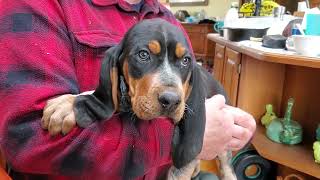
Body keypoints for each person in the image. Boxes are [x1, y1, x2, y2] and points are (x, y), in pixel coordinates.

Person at [0, 0, 256, 179]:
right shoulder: (35, 5)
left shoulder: (168, 21)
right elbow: (26, 138)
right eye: (144, 55)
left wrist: (213, 133)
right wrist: (188, 139)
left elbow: (190, 101)